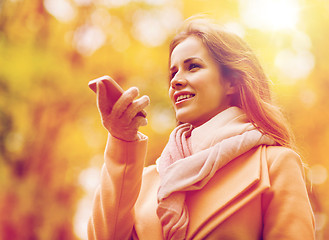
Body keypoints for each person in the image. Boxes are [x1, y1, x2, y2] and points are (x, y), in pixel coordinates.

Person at [88, 18, 315, 240]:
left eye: (193, 67)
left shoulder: (274, 164)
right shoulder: (146, 180)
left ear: (232, 83)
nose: (176, 80)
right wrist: (122, 141)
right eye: (173, 73)